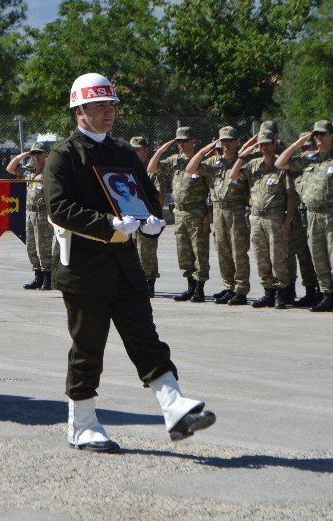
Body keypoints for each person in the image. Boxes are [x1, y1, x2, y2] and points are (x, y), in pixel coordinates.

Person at [46, 73, 215, 453]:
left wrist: (153, 223)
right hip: (84, 268)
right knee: (88, 346)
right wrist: (107, 225)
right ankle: (82, 423)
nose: (109, 113)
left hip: (125, 264)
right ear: (80, 111)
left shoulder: (123, 154)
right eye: (100, 106)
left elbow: (147, 198)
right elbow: (59, 208)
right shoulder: (64, 156)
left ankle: (175, 408)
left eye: (112, 106)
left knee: (146, 337)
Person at [275, 120, 333, 313]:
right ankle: (327, 295)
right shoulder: (308, 159)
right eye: (316, 134)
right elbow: (280, 163)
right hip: (312, 214)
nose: (318, 137)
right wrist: (296, 144)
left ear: (332, 136)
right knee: (318, 257)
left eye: (322, 134)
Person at [254, 121, 321, 307]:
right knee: (290, 254)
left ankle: (314, 289)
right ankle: (288, 290)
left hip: (304, 212)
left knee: (308, 254)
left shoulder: (307, 159)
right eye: (304, 146)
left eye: (309, 146)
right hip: (289, 214)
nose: (306, 149)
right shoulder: (281, 151)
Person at [186, 127, 251, 305]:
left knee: (238, 251)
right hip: (218, 209)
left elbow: (249, 190)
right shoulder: (214, 161)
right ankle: (229, 286)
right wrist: (205, 149)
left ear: (236, 141)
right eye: (223, 141)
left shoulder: (243, 162)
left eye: (229, 140)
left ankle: (241, 289)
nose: (226, 144)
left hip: (236, 209)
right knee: (222, 250)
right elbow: (191, 168)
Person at [232, 131, 295, 309]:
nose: (264, 147)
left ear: (274, 144)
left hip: (275, 216)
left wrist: (288, 219)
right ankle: (268, 291)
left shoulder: (281, 166)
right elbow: (234, 176)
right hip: (256, 217)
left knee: (278, 257)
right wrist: (244, 154)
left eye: (267, 143)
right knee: (261, 256)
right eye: (261, 144)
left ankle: (281, 292)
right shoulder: (253, 165)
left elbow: (290, 195)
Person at [148, 127, 211, 302]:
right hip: (179, 212)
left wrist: (209, 214)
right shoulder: (174, 160)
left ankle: (199, 288)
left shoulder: (202, 161)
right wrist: (161, 150)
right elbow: (152, 168)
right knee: (183, 252)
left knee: (199, 251)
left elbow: (212, 188)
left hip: (197, 211)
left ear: (193, 141)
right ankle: (190, 286)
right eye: (178, 141)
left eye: (184, 140)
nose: (181, 144)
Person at [7, 142, 53, 291]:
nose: (36, 157)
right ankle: (37, 277)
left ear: (46, 155)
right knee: (31, 246)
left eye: (39, 153)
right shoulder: (29, 172)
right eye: (34, 154)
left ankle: (48, 278)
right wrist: (23, 155)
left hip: (43, 213)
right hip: (30, 213)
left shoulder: (50, 172)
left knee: (44, 246)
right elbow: (10, 169)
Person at [131, 136, 165, 296]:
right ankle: (135, 282)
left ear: (146, 150)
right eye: (133, 149)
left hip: (148, 216)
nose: (135, 152)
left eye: (138, 149)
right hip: (131, 216)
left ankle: (149, 283)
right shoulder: (129, 168)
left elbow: (160, 195)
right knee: (131, 250)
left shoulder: (153, 171)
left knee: (147, 251)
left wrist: (156, 216)